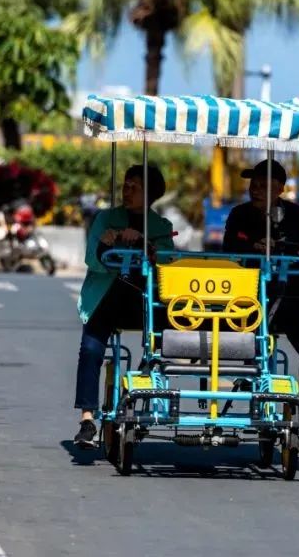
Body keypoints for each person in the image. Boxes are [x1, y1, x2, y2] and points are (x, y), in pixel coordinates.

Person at [222, 160, 299, 452]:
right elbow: (229, 248)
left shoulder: (297, 215)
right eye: (252, 184)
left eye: (262, 185)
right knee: (247, 354)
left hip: (294, 298)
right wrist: (253, 247)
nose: (254, 189)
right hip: (251, 301)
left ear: (279, 188)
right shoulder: (239, 215)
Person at [73, 164, 174, 448]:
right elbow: (92, 259)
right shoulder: (106, 219)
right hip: (107, 294)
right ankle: (87, 418)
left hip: (143, 299)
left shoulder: (161, 227)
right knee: (91, 348)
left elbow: (168, 264)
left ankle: (147, 373)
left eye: (135, 187)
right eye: (125, 185)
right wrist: (109, 243)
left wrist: (144, 244)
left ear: (150, 194)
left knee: (165, 329)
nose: (127, 191)